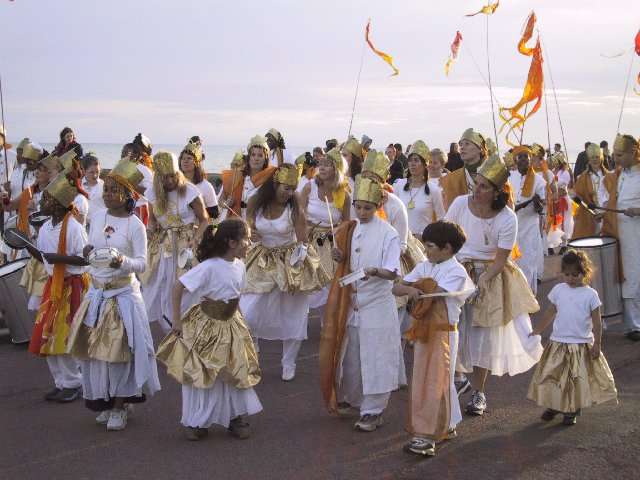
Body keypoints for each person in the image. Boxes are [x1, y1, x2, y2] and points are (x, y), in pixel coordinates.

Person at [444, 154, 543, 415]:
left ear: (498, 192)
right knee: (455, 328)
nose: (476, 191)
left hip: (490, 275)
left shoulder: (508, 218)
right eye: (475, 184)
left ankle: (478, 392)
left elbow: (501, 259)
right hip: (459, 271)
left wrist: (484, 280)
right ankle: (457, 379)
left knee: (483, 336)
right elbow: (446, 236)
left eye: (484, 187)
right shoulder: (459, 204)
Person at [67, 157, 160, 431]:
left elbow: (142, 263)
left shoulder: (135, 226)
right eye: (105, 189)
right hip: (96, 294)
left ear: (126, 194)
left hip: (122, 296)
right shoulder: (97, 216)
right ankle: (107, 401)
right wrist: (86, 253)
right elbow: (94, 248)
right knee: (96, 352)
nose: (107, 195)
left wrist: (124, 262)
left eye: (113, 190)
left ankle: (121, 406)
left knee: (120, 353)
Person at [156, 218, 262, 440]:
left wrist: (241, 323)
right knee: (205, 372)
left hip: (231, 324)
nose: (249, 243)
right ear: (232, 243)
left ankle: (235, 416)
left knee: (234, 370)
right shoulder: (209, 267)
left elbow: (236, 297)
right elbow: (178, 286)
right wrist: (177, 319)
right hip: (207, 326)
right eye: (246, 239)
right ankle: (199, 421)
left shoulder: (241, 266)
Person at [319, 176, 401, 432]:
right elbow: (346, 263)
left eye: (368, 207)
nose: (362, 212)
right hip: (351, 301)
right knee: (351, 354)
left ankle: (374, 410)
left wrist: (375, 271)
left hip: (377, 303)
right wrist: (339, 256)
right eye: (358, 206)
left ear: (377, 206)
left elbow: (393, 271)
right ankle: (353, 399)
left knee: (377, 355)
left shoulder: (389, 233)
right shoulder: (349, 228)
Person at [392, 220, 475, 456]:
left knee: (436, 382)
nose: (424, 251)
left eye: (428, 246)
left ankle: (429, 437)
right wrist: (410, 290)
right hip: (423, 331)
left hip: (443, 333)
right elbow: (397, 288)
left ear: (447, 249)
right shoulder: (426, 265)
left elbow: (431, 295)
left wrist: (415, 287)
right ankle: (447, 425)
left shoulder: (456, 272)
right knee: (427, 380)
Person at [241, 164, 328, 381]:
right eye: (285, 188)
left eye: (292, 188)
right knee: (248, 310)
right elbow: (248, 223)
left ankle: (288, 362)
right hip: (261, 259)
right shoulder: (255, 201)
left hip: (289, 262)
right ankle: (253, 351)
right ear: (275, 184)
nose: (289, 192)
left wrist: (299, 261)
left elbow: (303, 242)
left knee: (292, 314)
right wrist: (249, 233)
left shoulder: (294, 208)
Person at [528, 249, 617, 425]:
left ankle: (573, 408)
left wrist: (596, 344)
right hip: (558, 342)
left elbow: (597, 323)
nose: (570, 278)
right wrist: (537, 330)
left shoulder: (590, 295)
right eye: (566, 274)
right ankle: (554, 405)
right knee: (553, 375)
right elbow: (549, 313)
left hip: (580, 344)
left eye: (575, 274)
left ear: (585, 272)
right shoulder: (559, 290)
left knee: (575, 379)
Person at [24, 170, 89, 402]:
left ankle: (73, 382)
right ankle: (61, 382)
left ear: (61, 203)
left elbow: (85, 260)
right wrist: (28, 248)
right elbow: (44, 257)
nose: (42, 201)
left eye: (48, 199)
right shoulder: (47, 227)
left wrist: (59, 258)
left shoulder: (74, 228)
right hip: (54, 286)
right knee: (46, 335)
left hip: (71, 286)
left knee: (63, 336)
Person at [141, 151, 209, 333]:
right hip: (164, 244)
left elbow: (204, 220)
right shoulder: (153, 193)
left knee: (184, 283)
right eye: (165, 177)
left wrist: (195, 239)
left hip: (184, 245)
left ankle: (187, 324)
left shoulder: (189, 191)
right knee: (161, 282)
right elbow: (153, 219)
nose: (170, 181)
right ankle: (168, 327)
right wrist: (150, 228)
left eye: (172, 176)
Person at [299, 148, 351, 309]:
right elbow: (298, 215)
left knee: (328, 284)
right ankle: (302, 321)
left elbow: (346, 221)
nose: (321, 168)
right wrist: (305, 228)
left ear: (336, 169)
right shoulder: (309, 187)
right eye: (320, 164)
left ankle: (326, 322)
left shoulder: (344, 194)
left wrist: (335, 230)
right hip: (310, 238)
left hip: (330, 241)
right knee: (306, 281)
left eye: (327, 165)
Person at [601, 134, 640, 341]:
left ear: (633, 154)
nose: (615, 158)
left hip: (636, 236)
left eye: (619, 155)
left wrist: (638, 211)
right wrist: (605, 213)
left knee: (634, 276)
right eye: (615, 154)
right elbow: (613, 201)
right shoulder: (620, 175)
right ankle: (632, 325)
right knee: (627, 277)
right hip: (619, 235)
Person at [509, 146, 546, 293]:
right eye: (521, 157)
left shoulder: (538, 180)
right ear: (515, 160)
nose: (524, 159)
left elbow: (540, 208)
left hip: (529, 225)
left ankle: (529, 295)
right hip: (512, 224)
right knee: (512, 261)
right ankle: (515, 295)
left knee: (528, 260)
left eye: (526, 157)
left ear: (530, 159)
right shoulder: (509, 177)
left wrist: (537, 202)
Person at [393, 141, 445, 241]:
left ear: (425, 164)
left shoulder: (433, 190)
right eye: (410, 160)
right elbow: (392, 213)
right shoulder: (399, 186)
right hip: (399, 239)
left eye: (416, 160)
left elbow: (441, 219)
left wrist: (424, 235)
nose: (412, 164)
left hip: (421, 242)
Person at [219, 136, 275, 220]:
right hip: (234, 222)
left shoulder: (270, 180)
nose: (256, 158)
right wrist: (226, 203)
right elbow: (221, 201)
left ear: (265, 159)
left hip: (256, 224)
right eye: (253, 155)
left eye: (260, 155)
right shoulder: (236, 176)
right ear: (249, 158)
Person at [440, 129, 487, 210]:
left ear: (480, 149)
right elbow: (448, 212)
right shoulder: (452, 179)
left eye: (467, 144)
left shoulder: (493, 175)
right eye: (461, 145)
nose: (462, 148)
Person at [572, 144, 609, 238]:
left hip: (607, 212)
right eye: (592, 157)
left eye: (597, 157)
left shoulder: (609, 176)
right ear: (589, 160)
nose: (595, 159)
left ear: (601, 158)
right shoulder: (582, 177)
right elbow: (578, 195)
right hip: (589, 213)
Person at [179, 140, 219, 219]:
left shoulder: (205, 186)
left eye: (189, 158)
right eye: (183, 158)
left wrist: (195, 206)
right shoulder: (176, 184)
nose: (185, 161)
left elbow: (215, 213)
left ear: (196, 162)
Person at [122, 142, 153, 226]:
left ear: (136, 155)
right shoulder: (118, 169)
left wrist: (131, 183)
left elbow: (150, 193)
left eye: (126, 153)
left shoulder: (143, 170)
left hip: (139, 209)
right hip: (122, 210)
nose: (123, 155)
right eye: (122, 152)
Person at [553, 152, 574, 253]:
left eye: (556, 161)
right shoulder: (553, 171)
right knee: (557, 221)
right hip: (556, 200)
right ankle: (559, 242)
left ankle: (565, 243)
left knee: (565, 221)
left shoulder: (565, 173)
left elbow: (563, 185)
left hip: (563, 200)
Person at [81, 154, 105, 225]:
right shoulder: (78, 185)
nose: (95, 175)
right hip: (82, 225)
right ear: (84, 171)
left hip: (101, 224)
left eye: (97, 172)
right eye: (91, 172)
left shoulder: (104, 185)